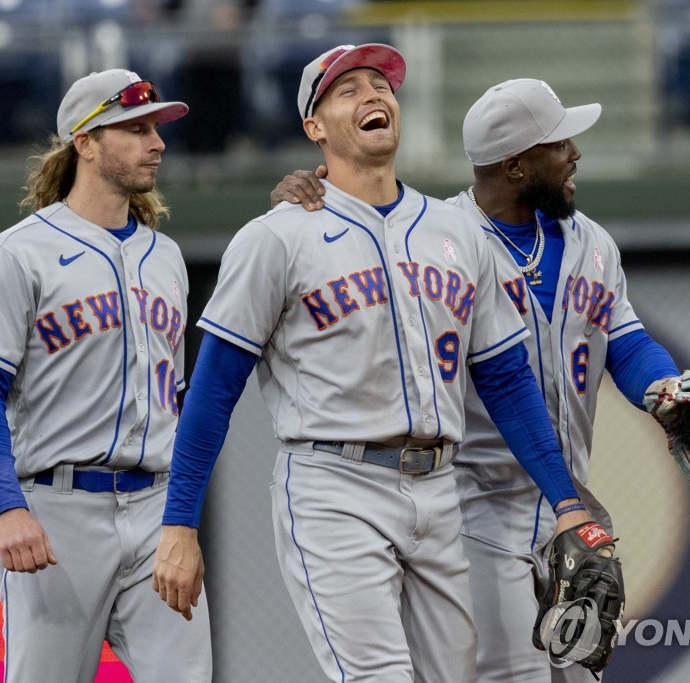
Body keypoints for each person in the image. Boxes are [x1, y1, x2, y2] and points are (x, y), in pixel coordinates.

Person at [151, 45, 603, 683]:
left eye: (380, 85)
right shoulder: (277, 236)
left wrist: (567, 505)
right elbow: (212, 390)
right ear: (315, 128)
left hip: (439, 489)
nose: (372, 96)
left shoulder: (453, 230)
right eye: (347, 90)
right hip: (335, 483)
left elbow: (505, 379)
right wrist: (179, 523)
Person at [272, 78, 690, 682]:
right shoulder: (435, 241)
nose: (575, 153)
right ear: (516, 165)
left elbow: (625, 343)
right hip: (473, 511)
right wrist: (301, 197)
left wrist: (665, 391)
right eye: (559, 143)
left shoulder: (591, 243)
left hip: (567, 508)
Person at [0, 69, 212, 682]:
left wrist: (182, 516)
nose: (157, 143)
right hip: (57, 511)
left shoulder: (166, 255)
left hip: (156, 510)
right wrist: (8, 509)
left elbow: (173, 395)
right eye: (136, 129)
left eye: (156, 128)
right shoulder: (19, 253)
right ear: (85, 143)